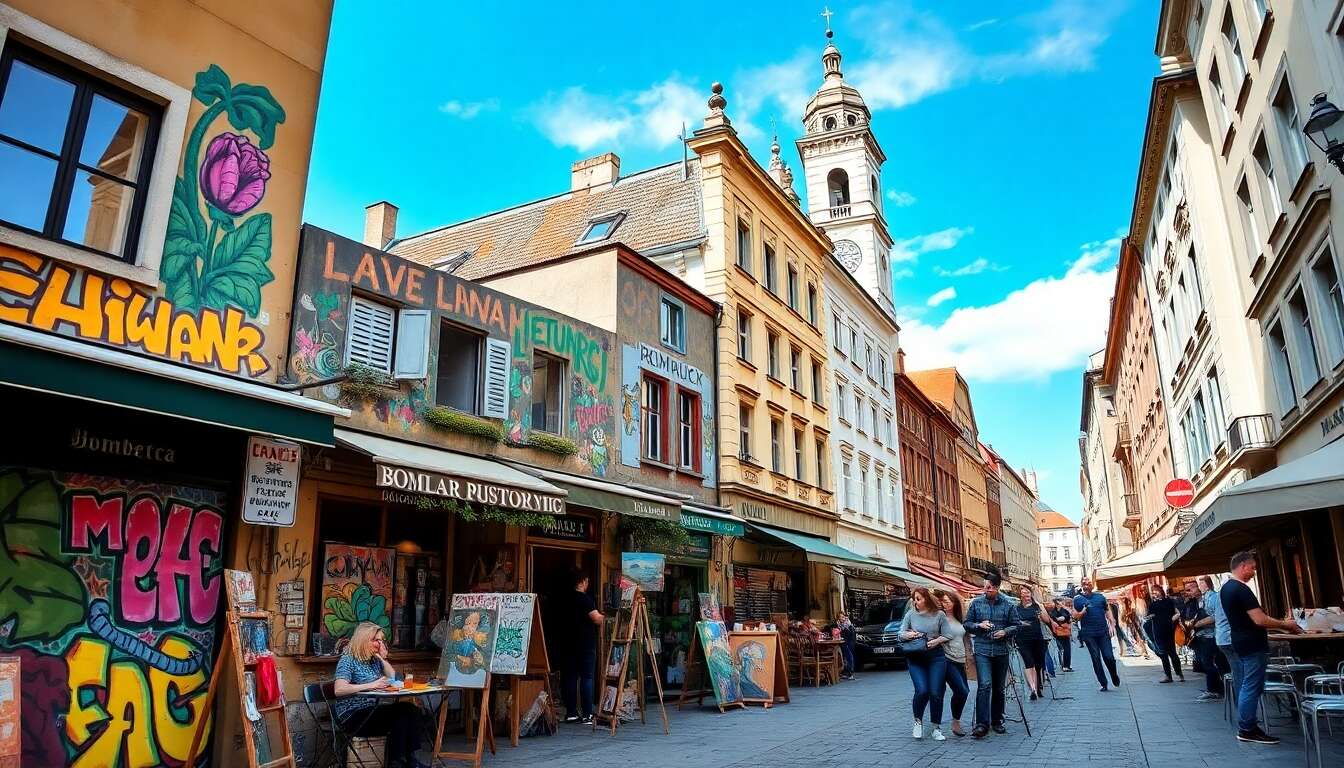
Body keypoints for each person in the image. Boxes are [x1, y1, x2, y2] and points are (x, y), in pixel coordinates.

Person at [1220, 550, 1303, 745]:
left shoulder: (1226, 589)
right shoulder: (1241, 589)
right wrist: (1285, 625)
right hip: (1252, 643)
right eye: (1253, 568)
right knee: (1252, 685)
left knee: (1247, 684)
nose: (1254, 572)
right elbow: (1259, 619)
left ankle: (1247, 726)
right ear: (1242, 566)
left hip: (1240, 641)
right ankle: (1247, 728)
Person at [332, 622, 425, 768]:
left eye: (382, 640)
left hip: (371, 709)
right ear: (364, 639)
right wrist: (371, 685)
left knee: (410, 710)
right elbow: (339, 689)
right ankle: (397, 762)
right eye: (376, 640)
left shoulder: (374, 660)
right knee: (399, 716)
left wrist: (382, 658)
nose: (380, 644)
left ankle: (409, 759)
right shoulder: (348, 660)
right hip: (352, 714)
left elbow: (393, 678)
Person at [963, 573, 1019, 739]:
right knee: (985, 684)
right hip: (982, 649)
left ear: (996, 587)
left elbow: (1016, 625)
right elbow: (967, 624)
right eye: (985, 587)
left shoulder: (1008, 604)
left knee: (999, 688)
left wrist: (1005, 632)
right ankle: (982, 724)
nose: (985, 590)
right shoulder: (976, 603)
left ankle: (997, 720)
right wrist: (978, 625)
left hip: (1001, 650)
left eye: (989, 587)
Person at [898, 587, 953, 741]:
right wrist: (908, 634)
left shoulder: (939, 615)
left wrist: (936, 641)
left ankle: (936, 727)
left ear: (927, 599)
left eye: (919, 599)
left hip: (936, 657)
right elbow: (900, 634)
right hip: (916, 658)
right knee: (922, 690)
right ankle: (918, 721)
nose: (915, 602)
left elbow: (948, 634)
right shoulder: (910, 614)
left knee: (936, 692)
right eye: (914, 599)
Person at [562, 570, 603, 724]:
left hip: (568, 644)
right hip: (585, 644)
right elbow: (596, 619)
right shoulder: (585, 599)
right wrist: (605, 617)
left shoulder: (565, 599)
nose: (587, 584)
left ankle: (571, 712)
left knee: (570, 678)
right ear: (582, 582)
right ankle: (587, 714)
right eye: (587, 581)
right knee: (587, 677)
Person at [1072, 577, 1121, 692]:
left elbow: (1107, 610)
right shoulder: (1077, 599)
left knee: (1108, 656)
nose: (1086, 585)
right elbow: (1075, 617)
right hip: (1088, 633)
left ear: (1092, 585)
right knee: (1096, 658)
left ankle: (1114, 674)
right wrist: (1083, 612)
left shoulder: (1100, 597)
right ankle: (1103, 683)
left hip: (1103, 632)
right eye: (1084, 583)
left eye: (1088, 583)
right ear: (1081, 585)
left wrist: (1112, 623)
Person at [935, 590, 971, 737]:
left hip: (960, 659)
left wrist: (969, 656)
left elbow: (965, 639)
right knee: (961, 690)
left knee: (964, 691)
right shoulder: (939, 618)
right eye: (943, 601)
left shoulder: (959, 619)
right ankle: (953, 723)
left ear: (954, 603)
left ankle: (955, 721)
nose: (945, 604)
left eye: (947, 601)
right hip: (946, 659)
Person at [1012, 585, 1056, 700]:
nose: (1026, 594)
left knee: (1038, 664)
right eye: (1023, 593)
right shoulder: (1016, 608)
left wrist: (1041, 612)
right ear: (1020, 595)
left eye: (1027, 592)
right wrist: (1021, 623)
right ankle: (1033, 689)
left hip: (1037, 638)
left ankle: (1038, 685)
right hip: (1022, 639)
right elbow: (1014, 622)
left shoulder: (1038, 606)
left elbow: (1046, 620)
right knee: (1028, 662)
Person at [1183, 579, 1222, 701]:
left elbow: (1216, 616)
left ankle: (1215, 690)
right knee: (1206, 663)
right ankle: (1215, 689)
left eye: (1192, 588)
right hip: (1201, 636)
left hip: (1210, 635)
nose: (1189, 591)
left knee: (1209, 663)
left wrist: (1198, 623)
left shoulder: (1213, 597)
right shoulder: (1195, 602)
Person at [1147, 584, 1183, 683]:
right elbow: (1149, 615)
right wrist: (1150, 616)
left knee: (1172, 653)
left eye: (1155, 591)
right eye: (1153, 592)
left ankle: (1179, 673)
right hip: (1158, 630)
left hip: (1168, 630)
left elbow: (1177, 613)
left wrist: (1172, 619)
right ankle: (1168, 675)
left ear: (1160, 591)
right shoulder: (1152, 604)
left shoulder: (1169, 602)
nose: (1154, 594)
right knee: (1163, 654)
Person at [1047, 597, 1074, 671]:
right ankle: (1066, 666)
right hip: (1062, 632)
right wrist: (1062, 619)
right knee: (1065, 649)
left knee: (1062, 649)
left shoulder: (1054, 611)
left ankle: (1064, 665)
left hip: (1059, 632)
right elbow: (1066, 618)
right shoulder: (1058, 611)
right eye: (1061, 602)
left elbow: (1068, 618)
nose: (1062, 603)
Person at [836, 612, 857, 680]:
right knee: (846, 657)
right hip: (844, 643)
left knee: (849, 657)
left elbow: (850, 635)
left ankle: (850, 673)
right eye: (840, 617)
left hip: (849, 643)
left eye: (843, 617)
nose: (842, 618)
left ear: (845, 617)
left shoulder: (848, 624)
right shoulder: (839, 624)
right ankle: (846, 673)